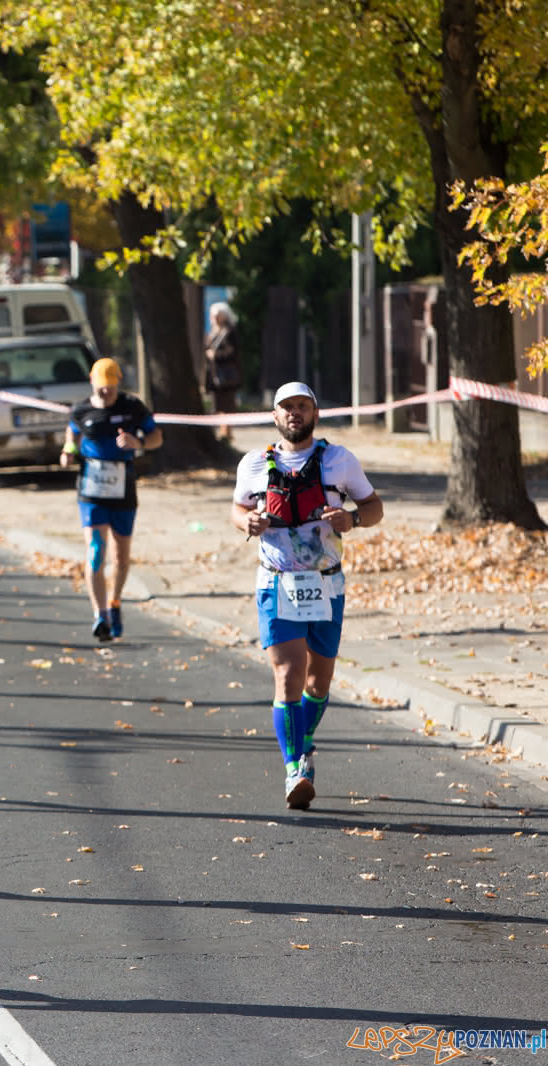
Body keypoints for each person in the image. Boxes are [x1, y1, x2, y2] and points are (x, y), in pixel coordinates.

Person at [232, 382, 382, 809]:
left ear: (315, 413)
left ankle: (304, 740)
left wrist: (352, 519)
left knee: (319, 681)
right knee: (288, 674)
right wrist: (247, 522)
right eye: (286, 407)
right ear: (275, 415)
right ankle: (294, 769)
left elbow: (374, 507)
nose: (294, 413)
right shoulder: (254, 463)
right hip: (276, 582)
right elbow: (237, 508)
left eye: (302, 406)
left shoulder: (339, 460)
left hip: (326, 582)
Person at [59, 357, 163, 642]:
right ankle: (100, 615)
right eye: (101, 387)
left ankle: (115, 602)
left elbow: (157, 437)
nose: (106, 392)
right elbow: (72, 431)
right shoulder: (82, 410)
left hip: (123, 490)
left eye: (111, 387)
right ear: (92, 382)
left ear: (118, 383)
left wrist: (138, 443)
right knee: (95, 551)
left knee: (121, 557)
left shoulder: (132, 407)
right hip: (91, 492)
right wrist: (68, 450)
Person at [204, 302, 241, 442]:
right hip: (214, 375)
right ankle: (223, 431)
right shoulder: (213, 332)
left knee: (227, 405)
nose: (213, 318)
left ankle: (226, 433)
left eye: (216, 315)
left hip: (227, 377)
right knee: (218, 404)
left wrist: (216, 355)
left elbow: (233, 353)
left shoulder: (229, 332)